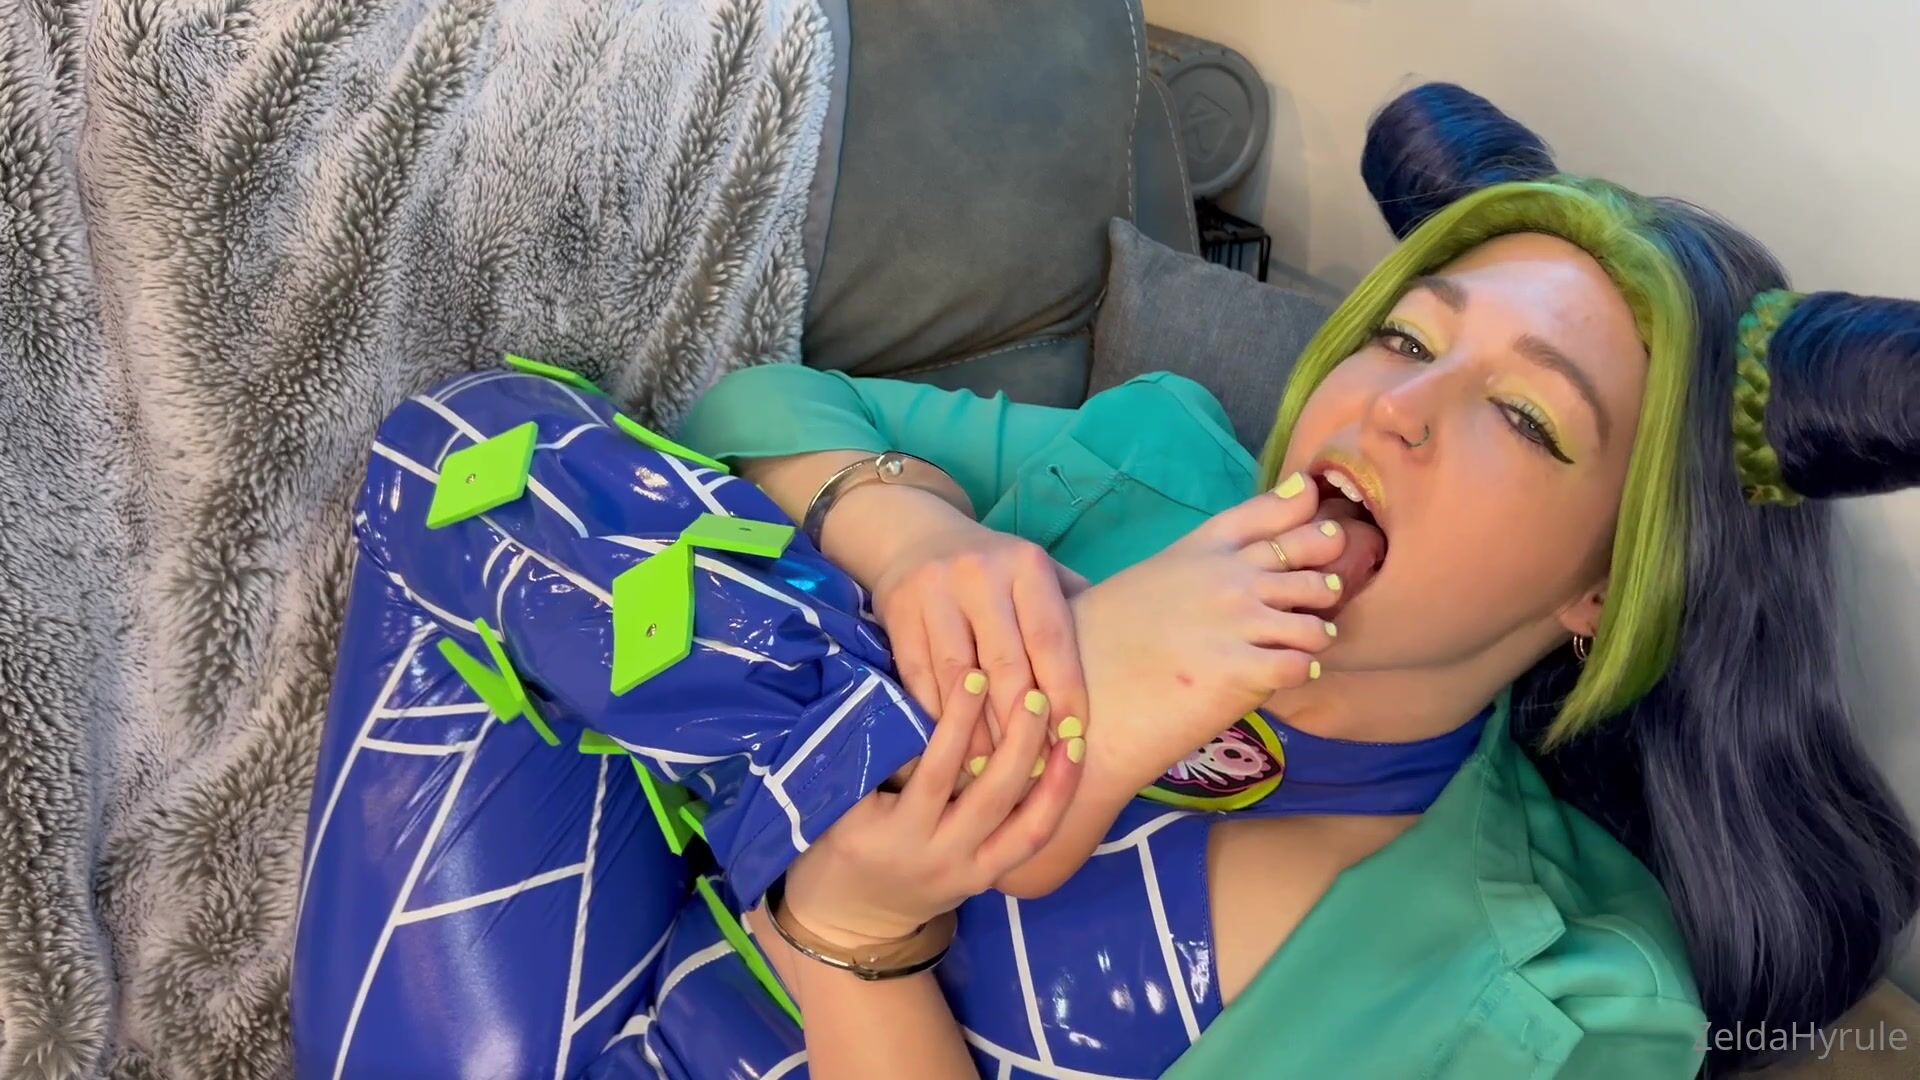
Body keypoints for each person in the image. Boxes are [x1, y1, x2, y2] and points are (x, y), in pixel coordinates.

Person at [292, 83, 1919, 1079]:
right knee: (480, 446)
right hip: (512, 1001)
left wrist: (863, 924)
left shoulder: (1561, 996)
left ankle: (877, 755)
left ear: (1604, 592)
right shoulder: (1162, 462)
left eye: (1524, 417)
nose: (1397, 409)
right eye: (1403, 336)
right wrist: (917, 539)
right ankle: (868, 741)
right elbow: (755, 414)